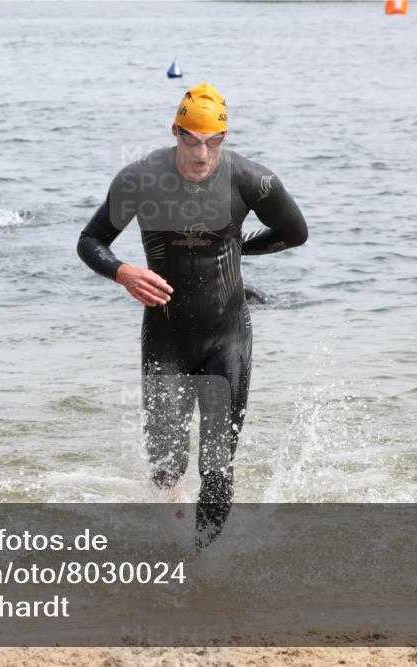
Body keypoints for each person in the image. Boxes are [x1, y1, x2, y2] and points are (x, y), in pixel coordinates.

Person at [77, 82, 308, 548]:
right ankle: (174, 528)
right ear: (176, 132)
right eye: (191, 139)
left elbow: (295, 232)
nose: (202, 153)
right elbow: (90, 240)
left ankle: (203, 569)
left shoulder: (251, 180)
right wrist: (123, 273)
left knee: (218, 467)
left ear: (224, 138)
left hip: (228, 338)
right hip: (166, 337)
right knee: (165, 464)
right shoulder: (140, 179)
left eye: (213, 141)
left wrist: (239, 249)